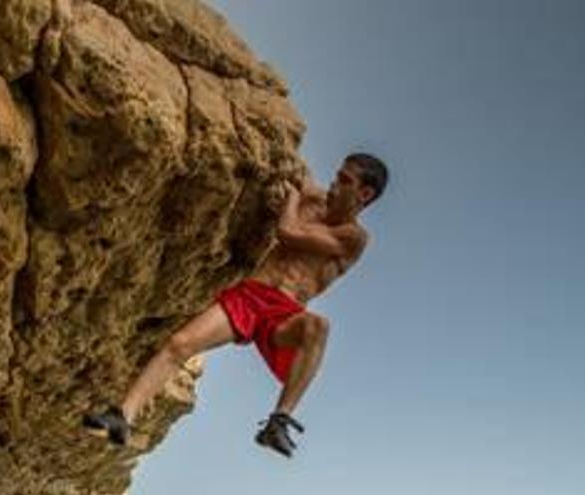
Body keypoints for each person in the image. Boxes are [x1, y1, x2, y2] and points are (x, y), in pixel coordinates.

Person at [83, 153, 389, 458]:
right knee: (180, 343)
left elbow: (289, 233)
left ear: (364, 194)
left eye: (345, 181)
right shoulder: (316, 198)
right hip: (250, 295)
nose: (335, 183)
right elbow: (295, 171)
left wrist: (293, 199)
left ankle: (279, 420)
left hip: (284, 316)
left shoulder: (354, 238)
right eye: (337, 175)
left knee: (318, 326)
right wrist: (292, 179)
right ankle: (122, 417)